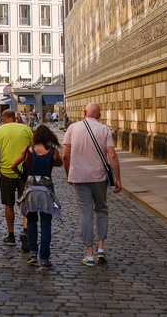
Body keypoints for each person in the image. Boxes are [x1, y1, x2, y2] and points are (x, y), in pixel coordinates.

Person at [63, 102, 122, 266]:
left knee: (85, 214)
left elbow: (65, 155)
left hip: (79, 178)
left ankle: (89, 255)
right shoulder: (104, 129)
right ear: (99, 115)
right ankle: (101, 248)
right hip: (100, 177)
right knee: (102, 209)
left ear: (84, 113)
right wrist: (118, 178)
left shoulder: (72, 128)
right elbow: (112, 156)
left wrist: (68, 174)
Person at [12, 125, 63, 269]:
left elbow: (13, 165)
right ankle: (45, 259)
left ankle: (33, 253)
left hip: (30, 190)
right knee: (46, 224)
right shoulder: (53, 151)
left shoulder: (28, 150)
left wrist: (23, 176)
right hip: (46, 191)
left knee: (32, 222)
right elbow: (60, 162)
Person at [0, 109, 33, 251]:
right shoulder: (26, 129)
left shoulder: (0, 130)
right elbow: (33, 147)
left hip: (7, 171)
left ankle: (11, 235)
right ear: (15, 118)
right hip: (24, 172)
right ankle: (26, 231)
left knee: (9, 204)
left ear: (3, 118)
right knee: (25, 203)